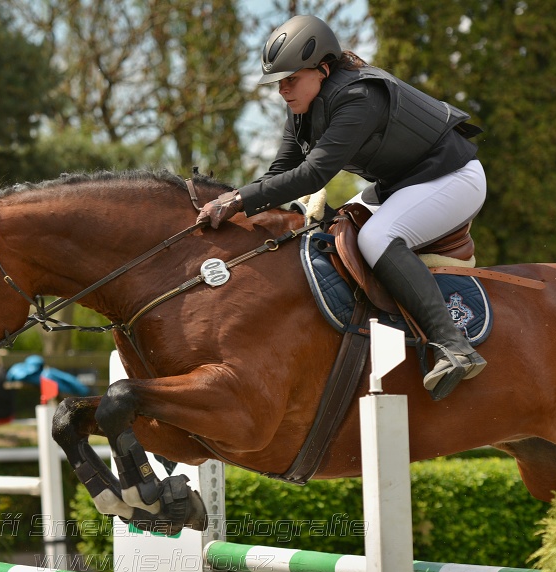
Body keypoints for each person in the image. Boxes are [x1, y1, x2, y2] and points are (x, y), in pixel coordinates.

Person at [196, 15, 486, 400]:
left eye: (291, 79)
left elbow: (313, 174)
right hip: (401, 185)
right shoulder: (302, 106)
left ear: (323, 69)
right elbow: (280, 172)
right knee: (330, 230)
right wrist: (238, 209)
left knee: (376, 238)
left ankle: (452, 345)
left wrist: (235, 200)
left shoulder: (358, 97)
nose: (282, 89)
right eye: (278, 82)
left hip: (453, 177)